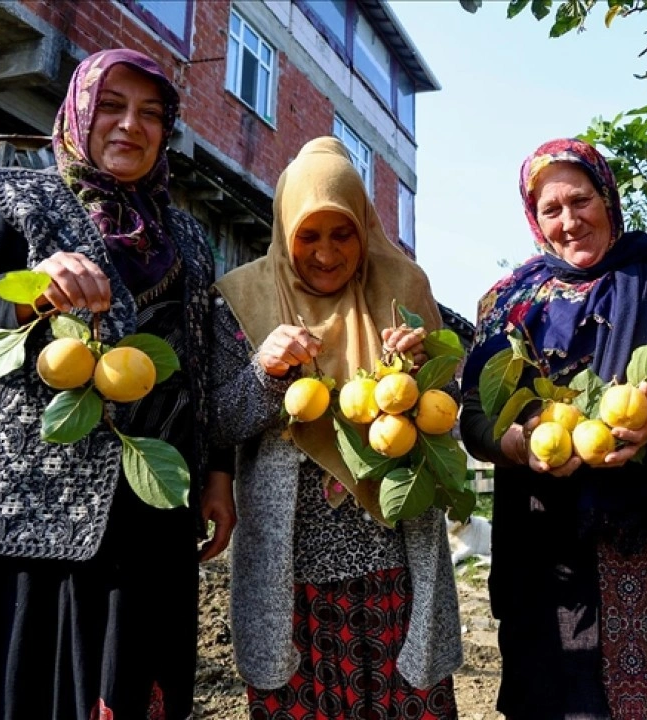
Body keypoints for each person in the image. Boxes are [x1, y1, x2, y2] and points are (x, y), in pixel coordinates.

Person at [0, 49, 234, 720]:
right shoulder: (9, 195)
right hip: (11, 513)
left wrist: (217, 472)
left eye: (151, 114)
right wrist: (35, 290)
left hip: (143, 517)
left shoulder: (186, 236)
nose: (130, 125)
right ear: (77, 112)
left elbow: (202, 364)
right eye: (111, 106)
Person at [458, 137, 647, 720]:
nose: (569, 221)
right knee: (559, 695)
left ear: (607, 197)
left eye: (581, 201)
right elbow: (473, 415)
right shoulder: (507, 303)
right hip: (547, 546)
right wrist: (518, 444)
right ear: (534, 219)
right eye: (551, 209)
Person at [209, 136, 461, 718]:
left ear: (364, 229)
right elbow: (220, 423)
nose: (326, 253)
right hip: (288, 579)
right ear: (284, 230)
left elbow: (445, 415)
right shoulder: (240, 299)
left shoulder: (404, 291)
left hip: (395, 568)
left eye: (342, 233)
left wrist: (420, 375)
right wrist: (264, 371)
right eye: (309, 235)